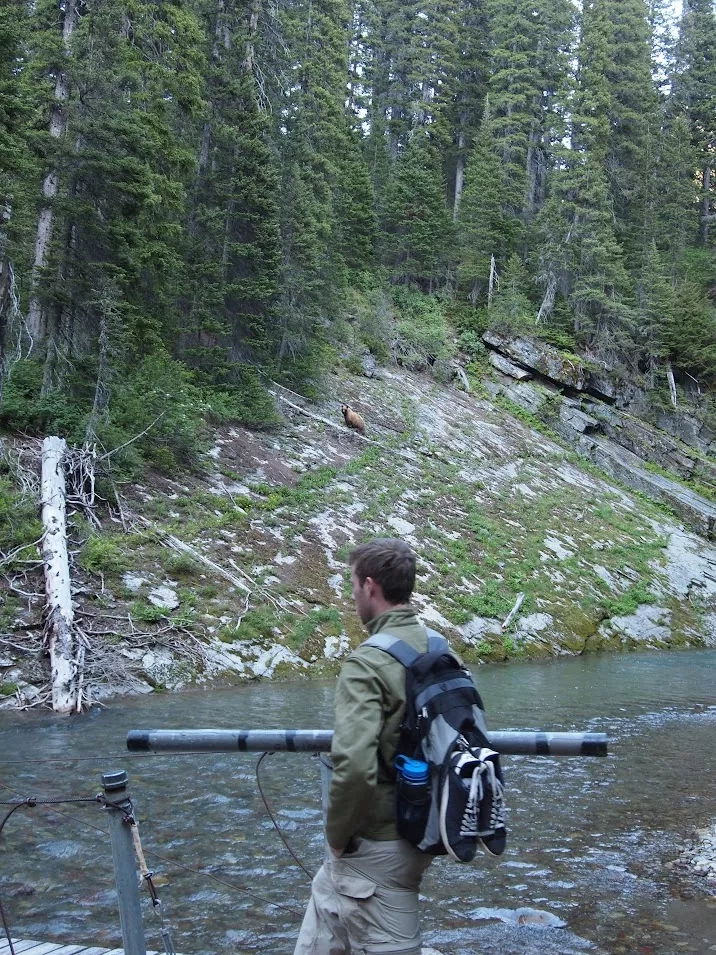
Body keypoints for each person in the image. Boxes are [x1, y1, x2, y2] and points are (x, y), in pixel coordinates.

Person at [294, 537, 434, 955]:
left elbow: (354, 765)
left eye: (352, 585)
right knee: (325, 907)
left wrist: (336, 837)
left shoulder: (367, 662)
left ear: (369, 586)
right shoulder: (438, 648)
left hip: (375, 848)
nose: (351, 594)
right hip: (426, 827)